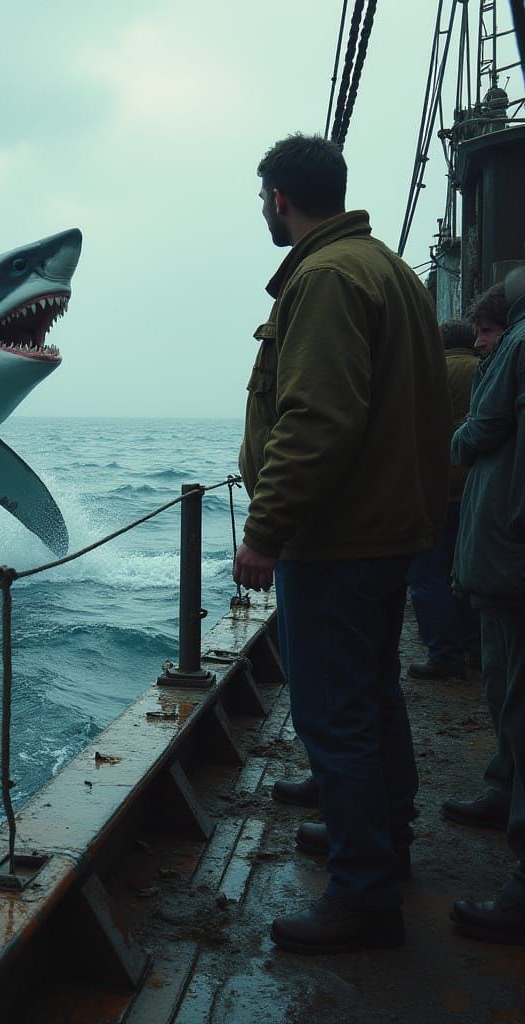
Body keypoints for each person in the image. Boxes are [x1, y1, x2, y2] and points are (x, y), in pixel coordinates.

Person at [234, 133, 450, 954]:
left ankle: (363, 896)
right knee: (374, 695)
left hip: (337, 539)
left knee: (334, 717)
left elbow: (318, 418)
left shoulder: (325, 277)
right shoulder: (389, 270)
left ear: (281, 199)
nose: (264, 211)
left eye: (263, 200)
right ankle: (384, 839)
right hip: (389, 529)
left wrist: (265, 532)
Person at [447, 266, 525, 945]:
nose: (481, 343)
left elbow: (473, 435)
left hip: (510, 562)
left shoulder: (517, 350)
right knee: (504, 689)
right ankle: (504, 787)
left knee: (518, 701)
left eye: (487, 330)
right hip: (501, 564)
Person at [406, 318, 481, 679]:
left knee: (428, 575)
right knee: (470, 573)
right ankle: (477, 648)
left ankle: (444, 654)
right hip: (479, 490)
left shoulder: (431, 373)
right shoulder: (487, 369)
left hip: (436, 490)